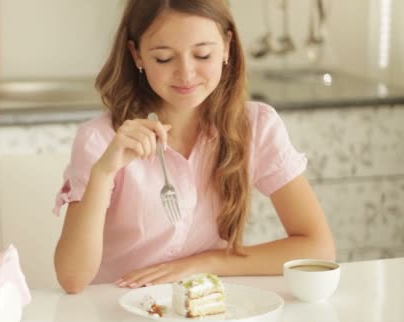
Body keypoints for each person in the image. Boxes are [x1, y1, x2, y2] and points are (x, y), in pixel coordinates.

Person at [52, 0, 335, 294]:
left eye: (202, 54)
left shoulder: (256, 125)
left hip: (204, 312)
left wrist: (206, 262)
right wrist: (102, 174)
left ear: (227, 46)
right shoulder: (100, 140)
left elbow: (318, 247)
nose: (186, 74)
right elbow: (72, 279)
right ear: (137, 55)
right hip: (115, 316)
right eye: (163, 58)